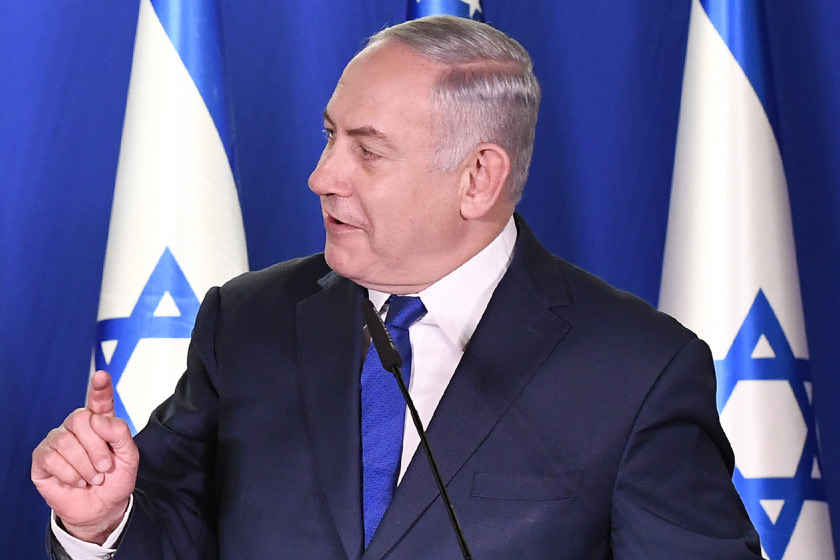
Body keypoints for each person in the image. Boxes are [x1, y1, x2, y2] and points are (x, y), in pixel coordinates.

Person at [32, 15, 761, 559]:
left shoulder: (637, 370)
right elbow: (176, 532)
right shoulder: (246, 322)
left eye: (367, 151)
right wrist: (104, 523)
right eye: (329, 136)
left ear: (479, 178)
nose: (322, 176)